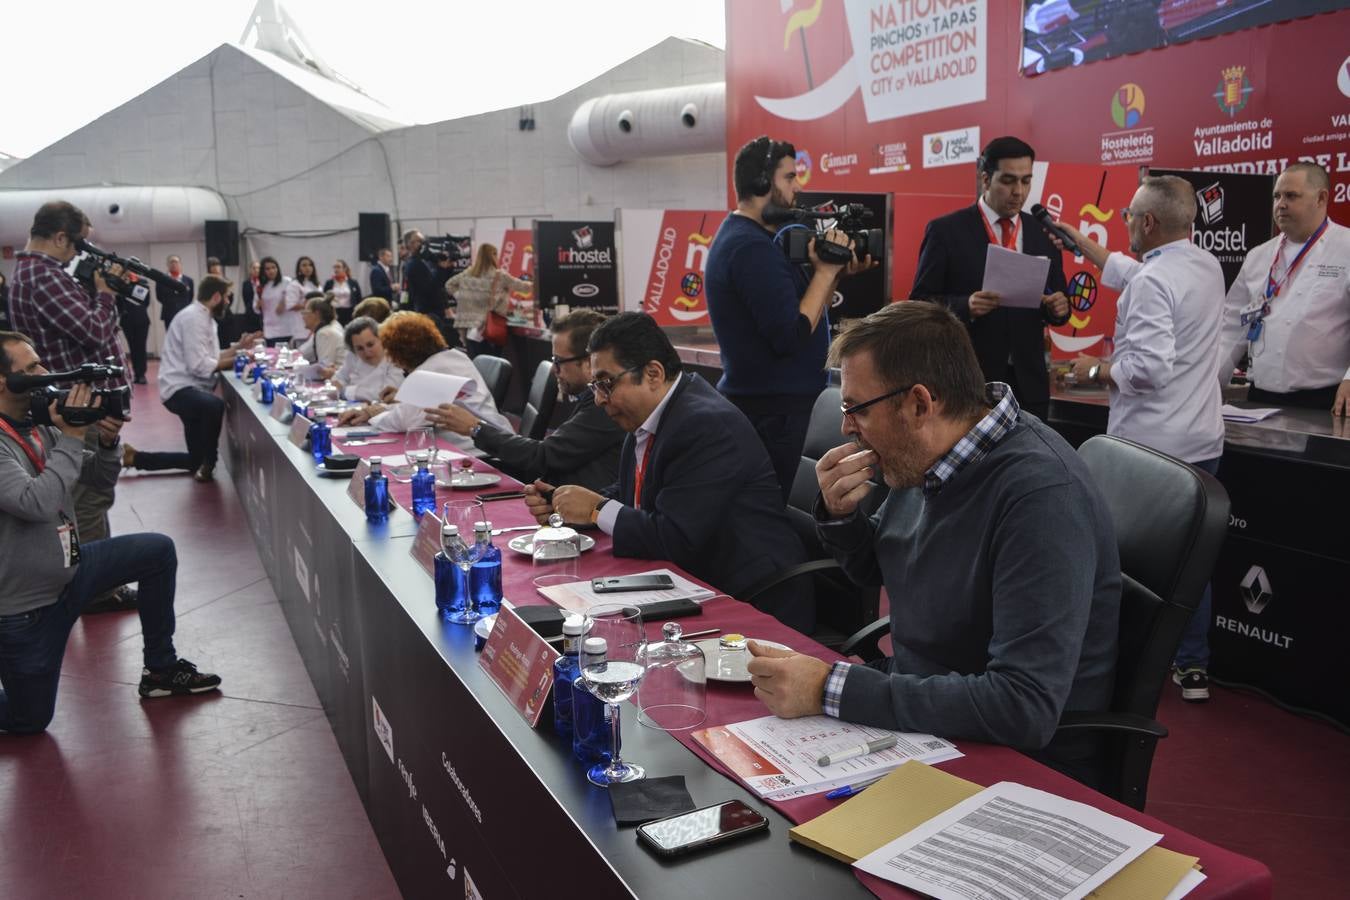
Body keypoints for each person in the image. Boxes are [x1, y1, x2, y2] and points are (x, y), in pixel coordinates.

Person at [744, 302, 1120, 786]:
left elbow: (1022, 706)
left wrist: (831, 687)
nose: (845, 427)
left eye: (856, 408)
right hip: (926, 710)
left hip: (1012, 762)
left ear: (920, 404)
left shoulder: (1041, 496)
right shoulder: (929, 452)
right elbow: (881, 568)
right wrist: (842, 519)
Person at [525, 313, 813, 633]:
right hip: (691, 582)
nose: (598, 399)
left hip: (754, 599)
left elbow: (673, 538)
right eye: (594, 385)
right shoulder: (653, 414)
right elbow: (632, 492)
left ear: (652, 373)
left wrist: (595, 509)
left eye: (606, 384)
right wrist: (564, 505)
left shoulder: (704, 425)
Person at [0, 331, 221, 734]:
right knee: (29, 719)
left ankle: (161, 671)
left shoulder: (38, 426)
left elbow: (99, 481)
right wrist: (71, 435)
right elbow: (37, 503)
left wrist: (105, 439)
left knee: (157, 552)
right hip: (26, 608)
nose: (44, 372)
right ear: (3, 380)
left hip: (71, 572)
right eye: (31, 367)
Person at [1058, 175, 1226, 702]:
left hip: (1153, 451)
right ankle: (1192, 666)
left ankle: (1118, 664)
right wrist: (1082, 245)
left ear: (1148, 222)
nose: (1124, 222)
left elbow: (1149, 369)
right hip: (1200, 441)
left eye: (1130, 215)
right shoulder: (1203, 264)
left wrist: (1090, 370)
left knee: (1127, 563)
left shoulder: (1154, 283)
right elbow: (1139, 272)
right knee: (1190, 560)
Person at [706, 135, 871, 502]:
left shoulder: (749, 241)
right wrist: (826, 272)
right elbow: (790, 335)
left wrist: (833, 274)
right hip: (774, 413)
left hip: (777, 408)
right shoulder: (750, 248)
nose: (797, 188)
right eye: (789, 177)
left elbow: (806, 317)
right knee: (776, 511)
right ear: (763, 183)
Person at [8, 200, 139, 614]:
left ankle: (97, 585)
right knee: (88, 499)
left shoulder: (34, 274)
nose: (80, 253)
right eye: (77, 243)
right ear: (60, 237)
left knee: (88, 496)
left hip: (75, 404)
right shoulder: (43, 276)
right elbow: (95, 332)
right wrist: (104, 294)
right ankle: (97, 591)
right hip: (77, 405)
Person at [910, 136, 1072, 421]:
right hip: (968, 382)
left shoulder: (1041, 233)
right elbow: (920, 303)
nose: (1018, 192)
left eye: (1026, 181)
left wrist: (1060, 308)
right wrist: (965, 306)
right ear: (985, 179)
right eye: (1008, 181)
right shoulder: (946, 231)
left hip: (1029, 384)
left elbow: (1057, 299)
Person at [424, 309, 623, 491]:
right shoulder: (590, 398)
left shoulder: (605, 405)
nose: (555, 370)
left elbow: (543, 457)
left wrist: (475, 428)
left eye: (559, 362)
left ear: (590, 362)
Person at [1216, 162, 1350, 414]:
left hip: (1325, 400)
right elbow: (1232, 327)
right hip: (1260, 396)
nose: (1281, 204)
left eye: (1291, 196)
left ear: (1321, 198)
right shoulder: (1258, 256)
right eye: (1277, 196)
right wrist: (1210, 384)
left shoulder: (1346, 248)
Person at [123, 276, 261, 482]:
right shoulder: (193, 319)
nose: (228, 302)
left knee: (194, 459)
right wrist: (241, 359)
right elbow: (199, 366)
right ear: (216, 297)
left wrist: (239, 349)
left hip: (192, 388)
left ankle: (136, 458)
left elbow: (211, 357)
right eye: (226, 298)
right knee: (214, 406)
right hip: (180, 390)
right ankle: (210, 462)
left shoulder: (205, 318)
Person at [336, 311, 509, 450]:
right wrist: (377, 410)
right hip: (490, 443)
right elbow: (414, 411)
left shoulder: (430, 372)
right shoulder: (452, 357)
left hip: (479, 453)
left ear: (400, 352)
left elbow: (404, 421)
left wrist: (372, 415)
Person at [445, 243, 531, 355]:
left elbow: (449, 285)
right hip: (490, 327)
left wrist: (461, 297)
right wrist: (537, 281)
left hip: (470, 329)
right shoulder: (499, 275)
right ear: (493, 256)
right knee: (492, 364)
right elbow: (524, 287)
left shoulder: (468, 273)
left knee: (475, 362)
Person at [401, 230, 457, 345]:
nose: (423, 244)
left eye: (423, 241)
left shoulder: (425, 261)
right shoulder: (413, 264)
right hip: (427, 312)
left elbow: (441, 283)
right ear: (410, 244)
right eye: (419, 241)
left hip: (436, 311)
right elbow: (430, 288)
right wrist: (441, 268)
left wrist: (447, 267)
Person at [332, 316, 404, 403]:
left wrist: (346, 391)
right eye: (360, 348)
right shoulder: (352, 356)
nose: (366, 352)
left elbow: (385, 394)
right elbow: (337, 379)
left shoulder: (394, 357)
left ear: (380, 338)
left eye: (370, 344)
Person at [255, 256, 301, 346]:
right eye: (267, 269)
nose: (271, 271)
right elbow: (256, 309)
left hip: (287, 327)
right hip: (270, 329)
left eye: (273, 267)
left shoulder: (287, 281)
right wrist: (258, 305)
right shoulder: (260, 287)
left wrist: (283, 301)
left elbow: (294, 299)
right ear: (263, 271)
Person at [297, 293, 347, 373]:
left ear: (316, 314)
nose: (303, 317)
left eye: (305, 312)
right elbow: (304, 353)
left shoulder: (325, 333)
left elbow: (324, 368)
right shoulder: (329, 327)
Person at [157, 255, 194, 329]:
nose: (174, 264)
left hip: (184, 314)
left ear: (180, 264)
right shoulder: (162, 280)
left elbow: (190, 297)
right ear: (168, 265)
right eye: (171, 262)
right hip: (169, 314)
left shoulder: (189, 280)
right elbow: (159, 297)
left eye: (176, 262)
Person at [323, 259, 363, 326]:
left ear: (344, 268)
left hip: (349, 312)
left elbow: (359, 298)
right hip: (334, 312)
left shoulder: (353, 282)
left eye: (338, 267)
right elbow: (324, 298)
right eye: (334, 267)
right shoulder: (329, 283)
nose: (336, 269)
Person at [240, 260, 264, 335]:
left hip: (263, 314)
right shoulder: (246, 284)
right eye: (254, 268)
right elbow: (246, 299)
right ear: (250, 270)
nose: (256, 270)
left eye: (258, 268)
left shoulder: (263, 282)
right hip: (251, 315)